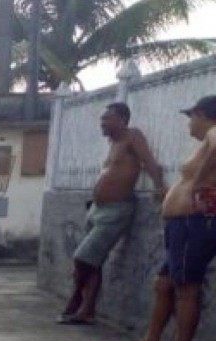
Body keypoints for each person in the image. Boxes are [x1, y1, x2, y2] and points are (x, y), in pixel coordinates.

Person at [118, 96, 216, 341]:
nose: (189, 124)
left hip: (193, 223)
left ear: (202, 114)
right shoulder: (205, 144)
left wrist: (196, 185)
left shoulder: (213, 132)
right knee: (164, 284)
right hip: (182, 224)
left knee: (186, 286)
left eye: (191, 117)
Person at [58, 103, 166, 325]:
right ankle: (86, 310)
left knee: (82, 258)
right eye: (102, 119)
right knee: (93, 262)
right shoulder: (113, 143)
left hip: (116, 210)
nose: (102, 123)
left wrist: (160, 188)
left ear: (122, 119)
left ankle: (77, 298)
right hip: (97, 209)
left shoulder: (132, 137)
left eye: (107, 119)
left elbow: (151, 163)